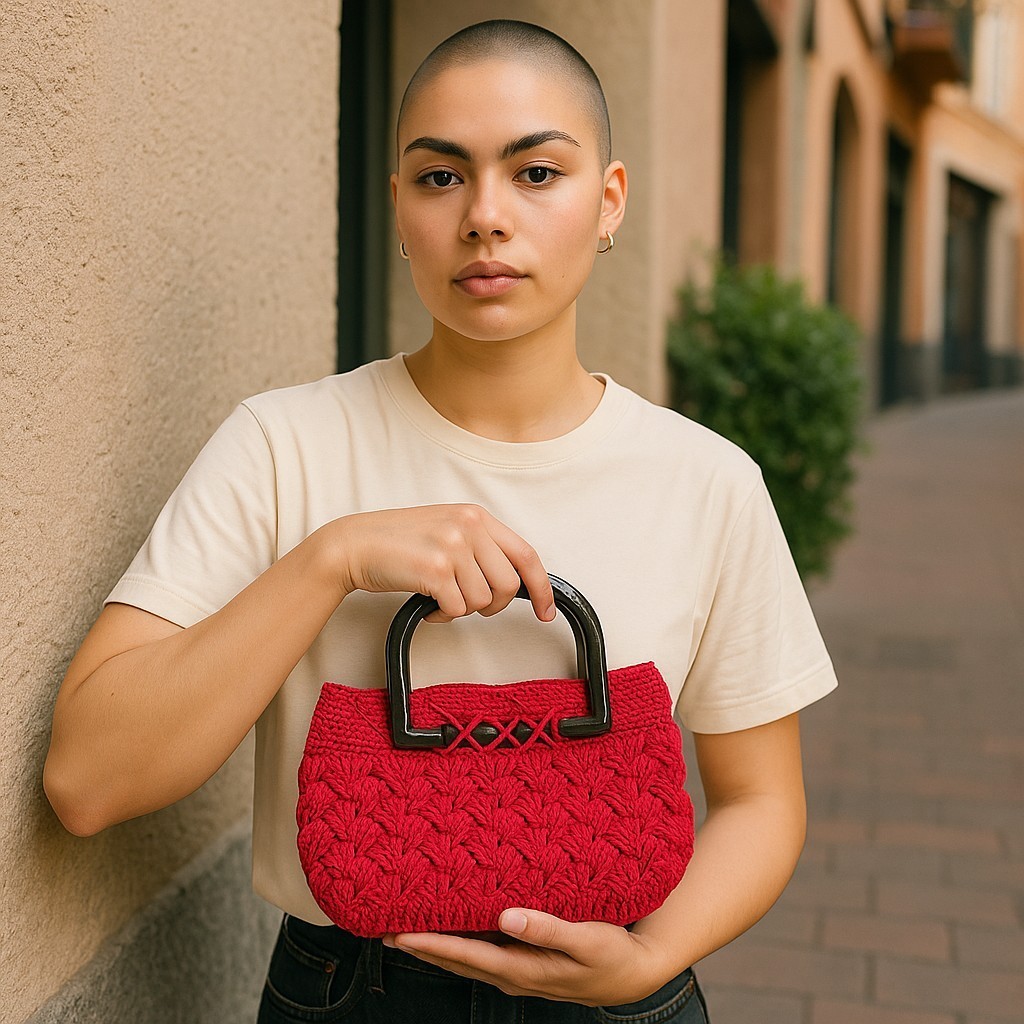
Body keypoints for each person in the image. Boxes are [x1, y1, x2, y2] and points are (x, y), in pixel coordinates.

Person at [43, 19, 837, 1024]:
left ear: (608, 201)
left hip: (619, 989)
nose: (485, 217)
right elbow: (87, 780)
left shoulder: (706, 481)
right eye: (440, 177)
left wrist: (650, 957)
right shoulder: (285, 445)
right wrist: (331, 559)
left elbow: (763, 800)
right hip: (348, 990)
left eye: (536, 173)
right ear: (398, 206)